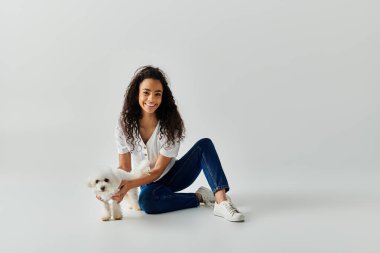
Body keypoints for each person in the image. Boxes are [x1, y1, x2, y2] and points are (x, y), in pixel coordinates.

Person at [101, 65, 244, 222]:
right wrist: (112, 188)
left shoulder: (171, 124)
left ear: (163, 97)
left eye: (157, 94)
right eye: (146, 93)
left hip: (176, 175)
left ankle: (221, 201)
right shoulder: (124, 124)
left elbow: (156, 171)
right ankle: (199, 197)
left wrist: (129, 186)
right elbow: (124, 168)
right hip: (146, 182)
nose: (151, 99)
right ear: (137, 94)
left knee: (205, 144)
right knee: (147, 202)